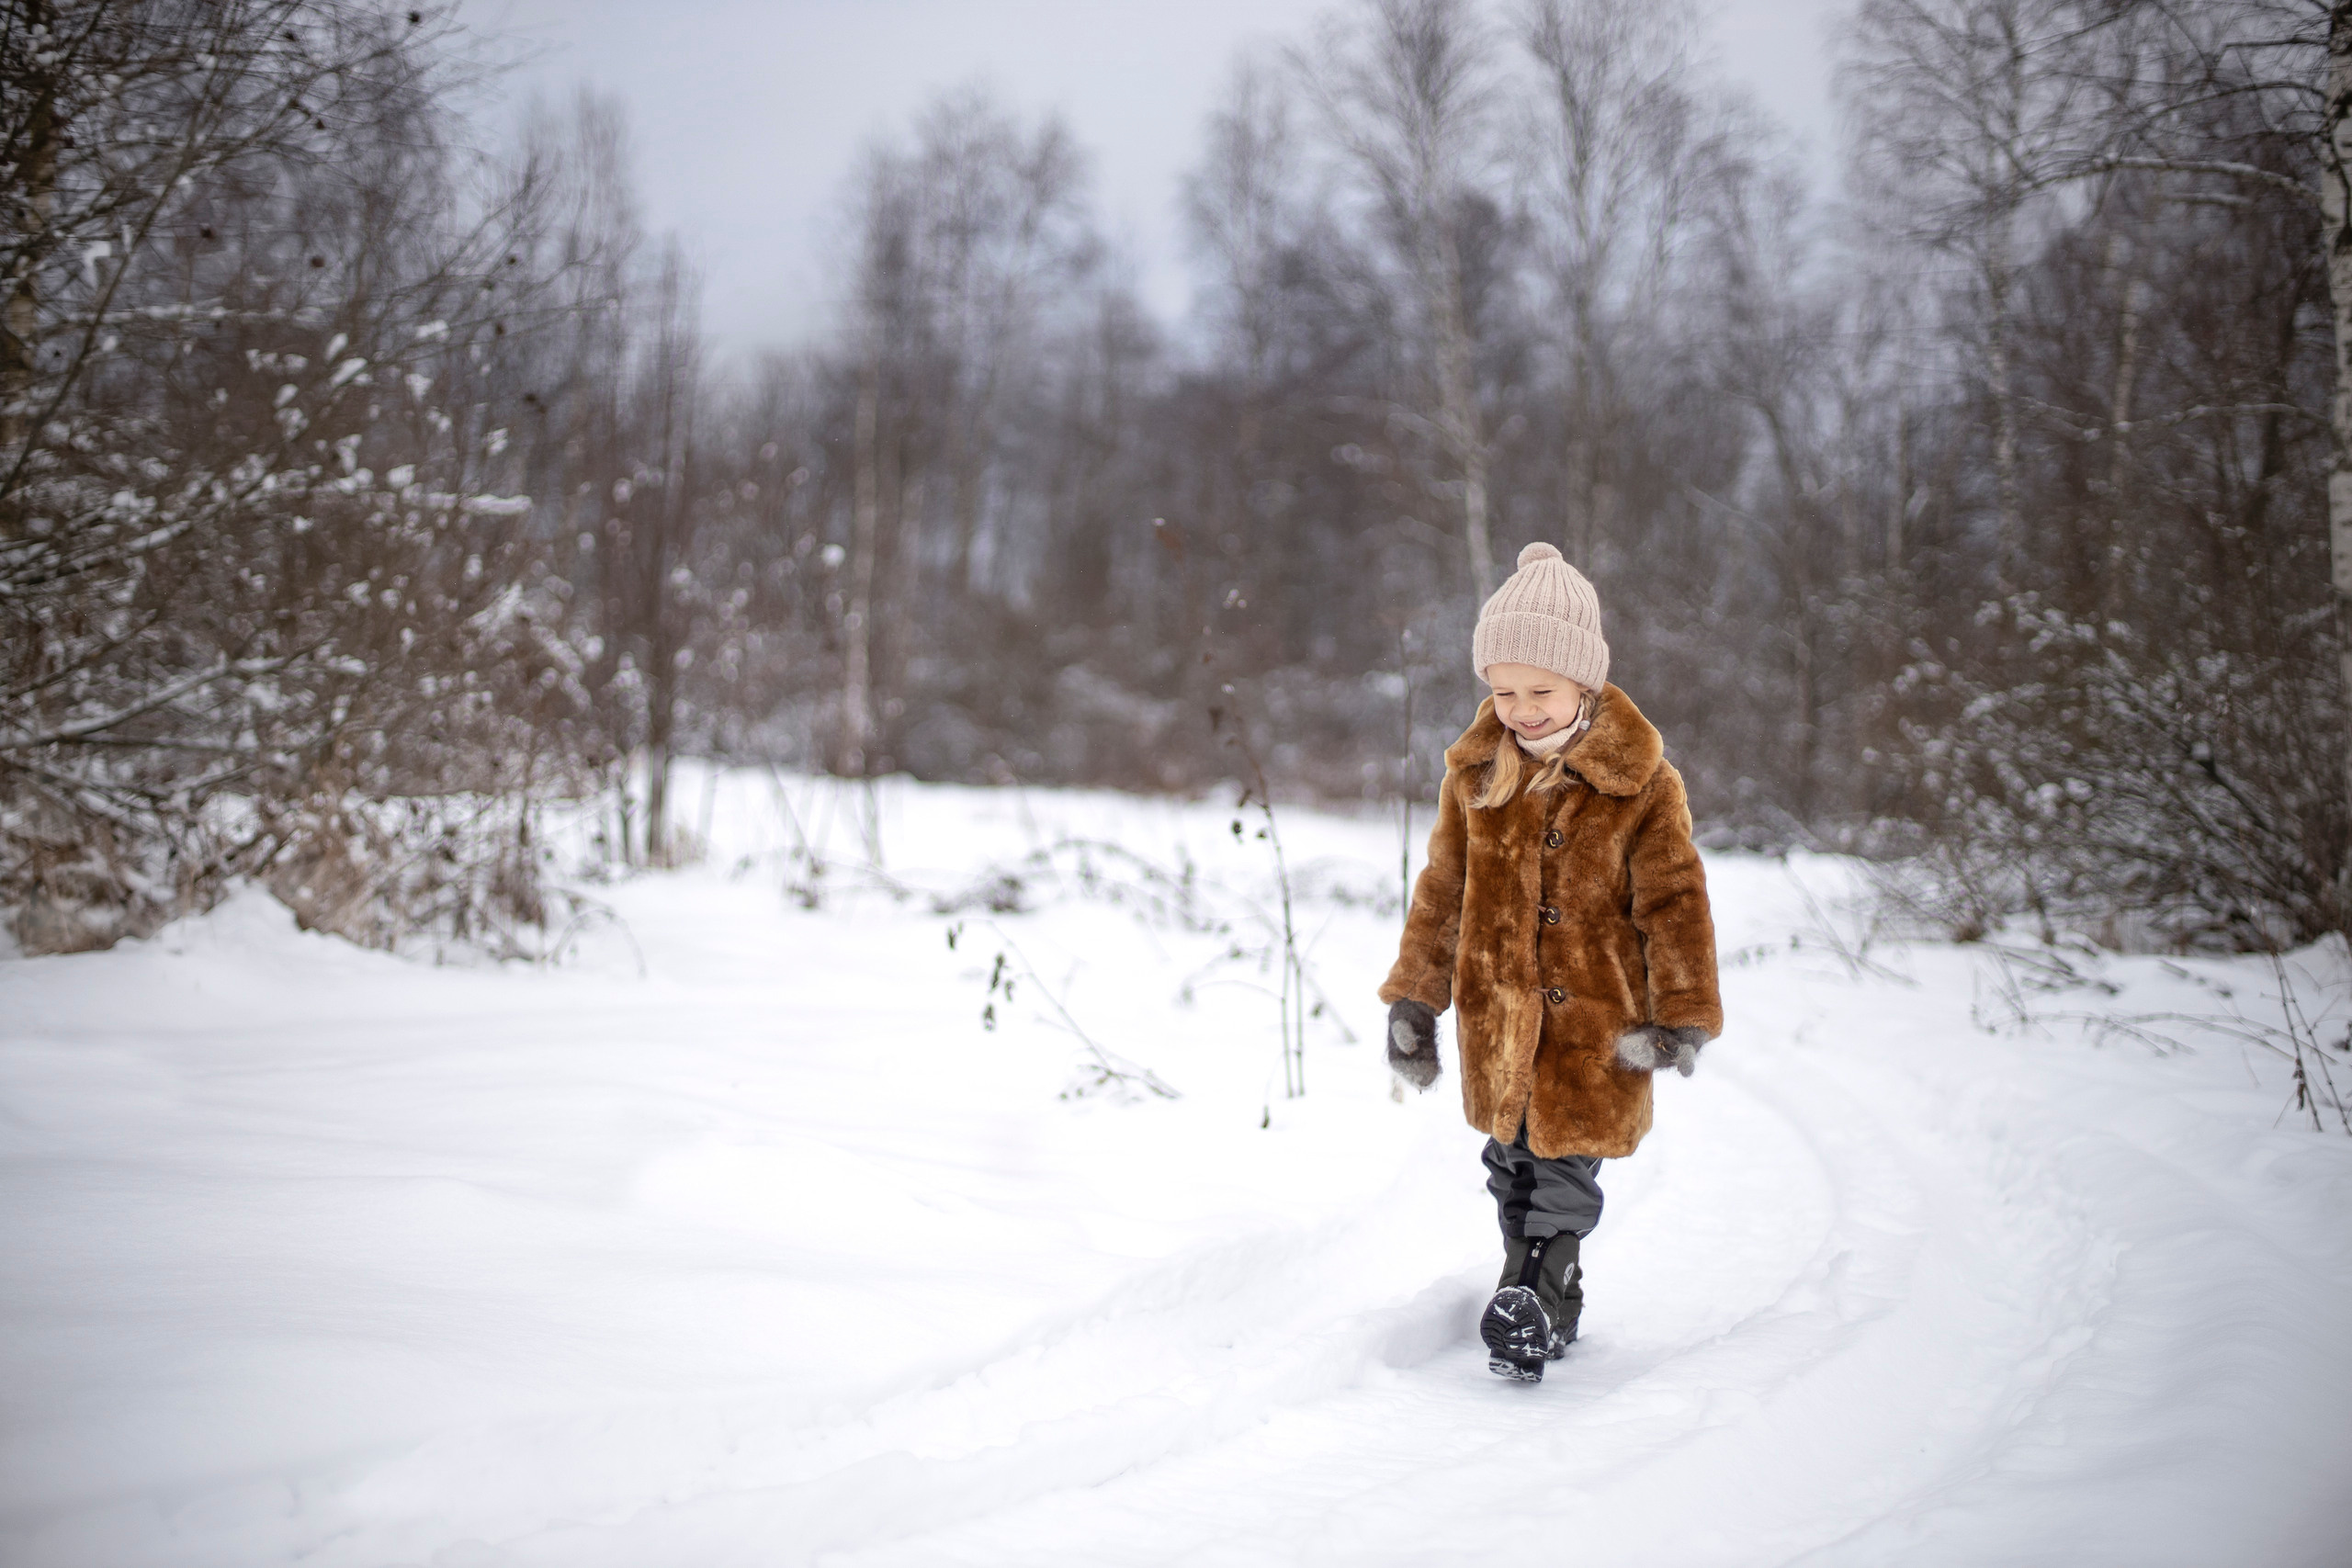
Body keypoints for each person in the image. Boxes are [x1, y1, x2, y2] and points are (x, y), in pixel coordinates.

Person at [1381, 541, 1722, 1382]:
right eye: (1503, 692)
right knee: (1510, 1158)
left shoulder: (1640, 783)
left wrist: (1682, 1010)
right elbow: (1443, 890)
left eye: (1541, 691)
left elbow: (1675, 898)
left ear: (1584, 685)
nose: (1522, 710)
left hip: (1596, 1018)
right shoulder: (1476, 777)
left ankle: (1546, 1280)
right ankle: (1521, 1275)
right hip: (1499, 1012)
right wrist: (1416, 998)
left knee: (1564, 1159)